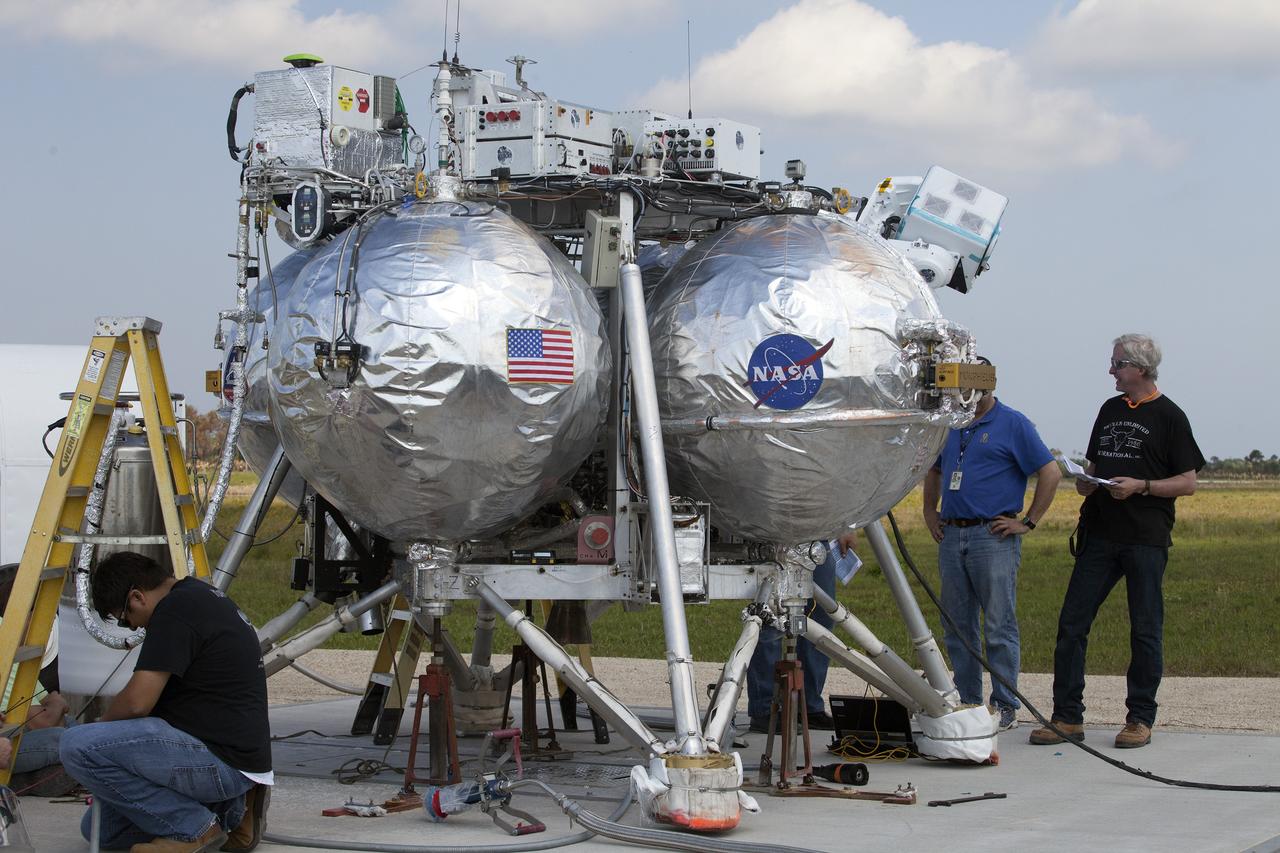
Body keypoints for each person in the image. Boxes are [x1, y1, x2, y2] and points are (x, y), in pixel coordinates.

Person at [1030, 334, 1203, 750]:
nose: (1111, 370)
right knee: (1072, 625)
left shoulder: (1170, 416)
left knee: (1145, 630)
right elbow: (1094, 464)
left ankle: (1140, 718)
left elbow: (1188, 482)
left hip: (1145, 540)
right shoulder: (1109, 410)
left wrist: (1142, 486)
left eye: (1118, 363)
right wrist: (1087, 483)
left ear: (1140, 368)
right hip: (1100, 536)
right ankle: (1067, 717)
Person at [59, 552, 272, 853]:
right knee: (103, 832)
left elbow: (137, 703)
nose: (132, 628)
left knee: (76, 745)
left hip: (220, 758)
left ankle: (194, 829)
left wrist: (99, 731)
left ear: (136, 596)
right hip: (225, 754)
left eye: (125, 618)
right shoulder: (196, 597)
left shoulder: (175, 610)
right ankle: (231, 813)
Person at [922, 371, 1060, 731]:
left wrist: (1028, 522)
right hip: (953, 534)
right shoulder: (951, 423)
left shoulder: (1013, 423)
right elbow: (934, 469)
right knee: (957, 625)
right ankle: (968, 700)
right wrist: (928, 510)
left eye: (967, 391)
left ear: (985, 387)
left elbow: (1050, 472)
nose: (962, 398)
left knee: (998, 624)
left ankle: (1004, 704)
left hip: (993, 535)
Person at [745, 531, 856, 733]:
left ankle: (808, 705)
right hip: (772, 526)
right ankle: (764, 708)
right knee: (770, 613)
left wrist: (844, 527)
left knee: (822, 612)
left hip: (818, 531)